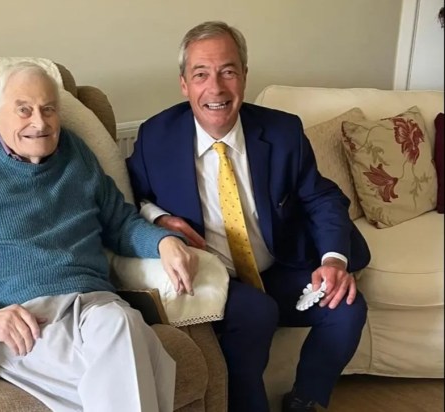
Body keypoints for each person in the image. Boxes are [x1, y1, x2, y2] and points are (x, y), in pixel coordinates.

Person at [0, 62, 199, 412]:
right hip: (17, 322)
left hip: (93, 306)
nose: (39, 123)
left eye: (48, 109)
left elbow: (120, 223)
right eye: (23, 110)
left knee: (122, 327)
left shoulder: (76, 154)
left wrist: (162, 242)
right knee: (137, 352)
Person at [127, 21, 370, 412]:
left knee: (346, 308)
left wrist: (333, 260)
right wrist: (159, 219)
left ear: (244, 76)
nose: (216, 88)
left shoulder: (283, 131)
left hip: (278, 264)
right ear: (184, 84)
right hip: (217, 276)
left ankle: (306, 401)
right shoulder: (157, 136)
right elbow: (131, 197)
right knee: (257, 312)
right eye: (201, 74)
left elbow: (321, 197)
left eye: (228, 71)